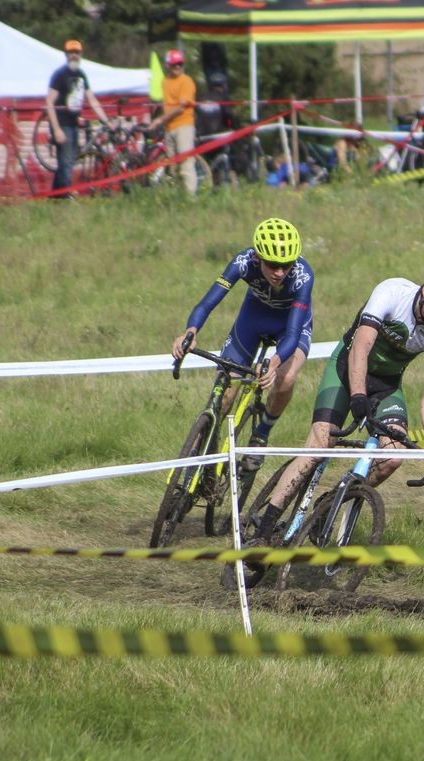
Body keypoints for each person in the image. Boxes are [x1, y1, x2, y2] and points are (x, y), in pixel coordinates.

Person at [249, 260, 424, 546]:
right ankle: (262, 529)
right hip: (346, 369)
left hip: (385, 385)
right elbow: (361, 346)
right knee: (319, 445)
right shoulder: (393, 292)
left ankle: (330, 504)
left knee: (394, 456)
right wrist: (357, 396)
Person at [171, 218, 313, 469]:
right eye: (273, 264)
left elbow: (292, 334)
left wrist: (274, 362)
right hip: (253, 318)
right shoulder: (243, 262)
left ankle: (262, 434)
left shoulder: (303, 276)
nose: (280, 272)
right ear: (258, 256)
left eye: (286, 265)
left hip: (290, 326)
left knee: (287, 377)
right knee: (225, 393)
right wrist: (190, 331)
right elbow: (207, 302)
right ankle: (207, 443)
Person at [45, 39, 112, 195]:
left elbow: (92, 99)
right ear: (66, 54)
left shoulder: (81, 75)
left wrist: (106, 121)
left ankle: (55, 196)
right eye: (71, 53)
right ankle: (66, 196)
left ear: (80, 54)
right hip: (62, 124)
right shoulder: (59, 74)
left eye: (76, 52)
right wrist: (56, 129)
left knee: (66, 162)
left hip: (74, 124)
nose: (74, 55)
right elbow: (49, 101)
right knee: (66, 163)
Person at [148, 49, 198, 195]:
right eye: (175, 64)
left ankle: (190, 197)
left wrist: (159, 120)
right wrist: (156, 120)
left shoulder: (187, 81)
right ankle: (178, 195)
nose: (178, 67)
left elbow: (181, 107)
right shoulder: (165, 82)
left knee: (186, 163)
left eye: (180, 64)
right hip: (169, 128)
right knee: (173, 166)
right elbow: (166, 106)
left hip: (184, 125)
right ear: (168, 66)